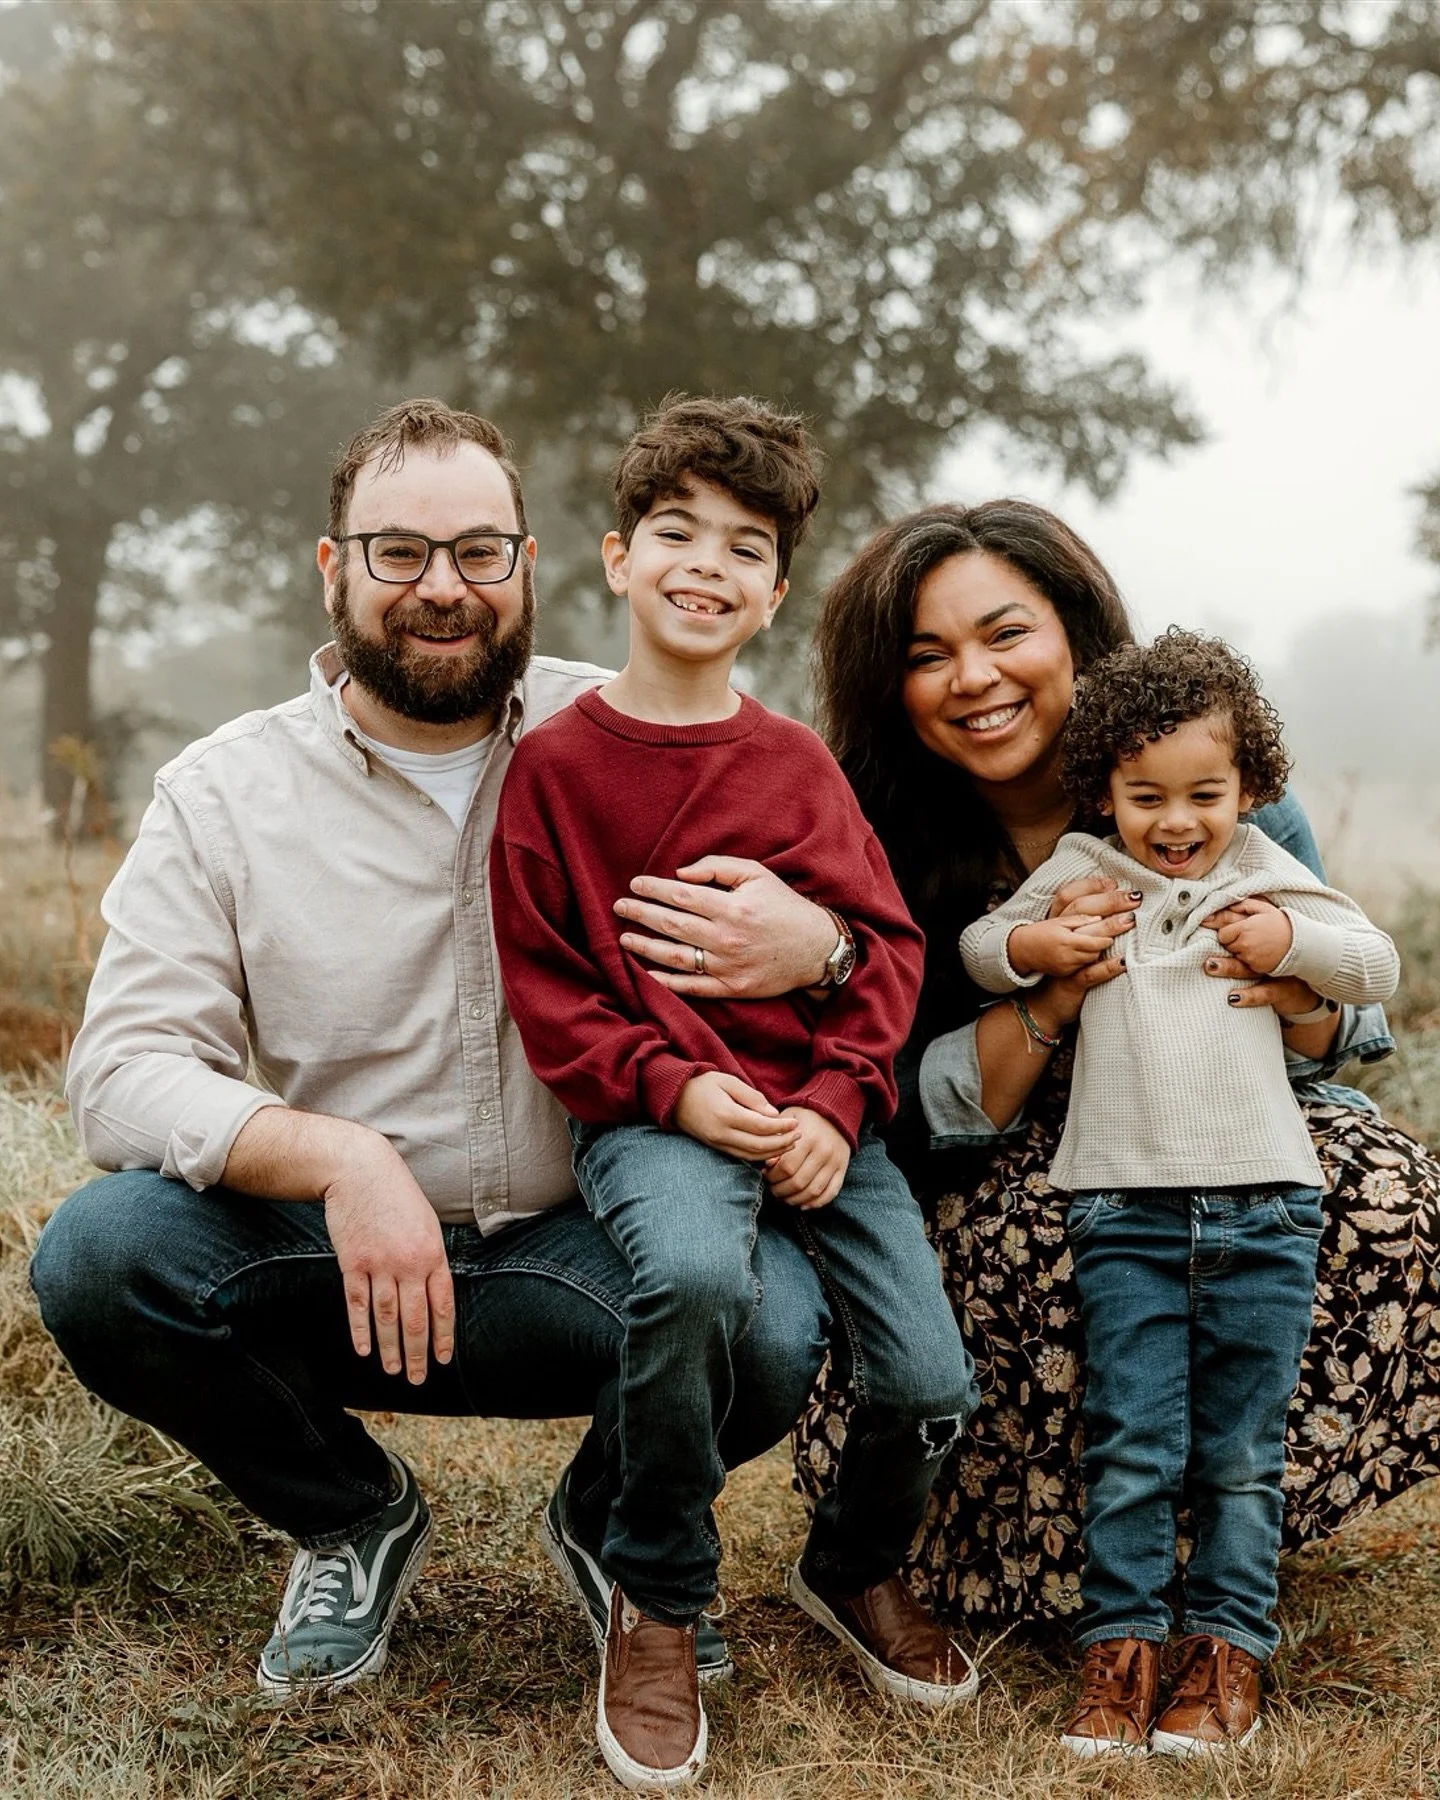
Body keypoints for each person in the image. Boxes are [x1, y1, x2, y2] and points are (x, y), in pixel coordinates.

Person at [28, 398, 842, 1703]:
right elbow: (123, 1072)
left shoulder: (646, 736)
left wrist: (824, 948)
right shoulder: (223, 792)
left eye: (479, 551)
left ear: (530, 561)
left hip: (589, 1252)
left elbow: (842, 897)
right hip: (334, 1265)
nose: (443, 589)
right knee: (100, 1258)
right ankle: (353, 1515)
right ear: (334, 565)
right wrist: (341, 1160)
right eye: (398, 552)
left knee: (770, 1321)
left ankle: (615, 1524)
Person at [780, 501, 1440, 1646]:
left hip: (1229, 1116)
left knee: (1388, 1201)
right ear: (891, 686)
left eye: (1005, 634)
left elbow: (1345, 1027)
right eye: (927, 656)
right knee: (1052, 1258)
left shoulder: (1218, 778)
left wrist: (1294, 989)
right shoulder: (872, 832)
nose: (973, 678)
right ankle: (1039, 1561)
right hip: (1000, 1159)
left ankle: (1226, 1537)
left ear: (1075, 632)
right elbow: (895, 1104)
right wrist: (1048, 995)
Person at [490, 396, 978, 1792]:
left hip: (827, 1124)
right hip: (663, 1122)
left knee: (929, 1380)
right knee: (698, 1284)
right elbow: (554, 994)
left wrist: (833, 1104)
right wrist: (680, 1092)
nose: (707, 562)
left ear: (774, 591)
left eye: (744, 544)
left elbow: (882, 950)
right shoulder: (556, 773)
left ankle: (855, 1564)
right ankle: (658, 1594)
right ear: (618, 558)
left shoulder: (796, 767)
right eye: (676, 532)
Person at [960, 629, 1399, 1756]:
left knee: (1243, 1452)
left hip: (1268, 1205)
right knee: (1135, 1442)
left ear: (1246, 787)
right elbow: (977, 947)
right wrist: (1045, 944)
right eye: (1145, 795)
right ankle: (1120, 1658)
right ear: (1105, 787)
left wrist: (1293, 938)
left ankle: (1226, 1655)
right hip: (1122, 1209)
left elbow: (1377, 967)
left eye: (1204, 793)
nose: (1175, 821)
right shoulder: (1083, 870)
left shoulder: (1262, 868)